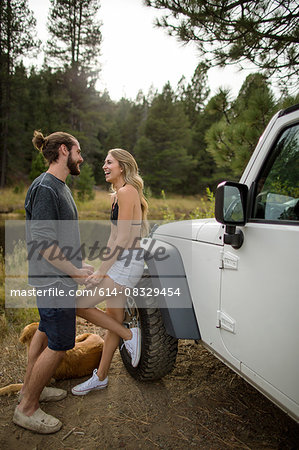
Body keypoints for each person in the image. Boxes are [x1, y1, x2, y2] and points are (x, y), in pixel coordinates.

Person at [13, 131, 93, 434]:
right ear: (64, 150)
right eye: (78, 151)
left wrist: (77, 265)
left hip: (58, 277)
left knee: (45, 332)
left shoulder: (59, 187)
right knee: (60, 344)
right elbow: (45, 244)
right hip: (53, 282)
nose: (81, 158)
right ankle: (27, 408)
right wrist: (74, 273)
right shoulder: (46, 187)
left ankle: (30, 388)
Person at [72, 148, 148, 396]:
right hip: (119, 261)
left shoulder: (128, 192)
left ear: (122, 167)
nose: (104, 166)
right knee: (112, 319)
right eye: (104, 162)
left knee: (79, 305)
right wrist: (102, 267)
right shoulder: (117, 196)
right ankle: (101, 376)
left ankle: (129, 334)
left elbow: (125, 237)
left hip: (128, 263)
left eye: (109, 162)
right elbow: (114, 236)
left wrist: (101, 273)